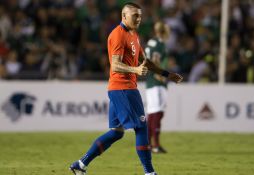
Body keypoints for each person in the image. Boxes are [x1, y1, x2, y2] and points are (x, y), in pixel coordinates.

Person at [69, 2, 183, 175]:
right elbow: (115, 64)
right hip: (124, 88)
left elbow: (145, 62)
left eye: (140, 16)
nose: (139, 19)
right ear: (124, 16)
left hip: (119, 89)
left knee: (116, 133)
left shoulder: (134, 35)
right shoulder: (117, 35)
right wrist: (135, 70)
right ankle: (150, 172)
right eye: (135, 15)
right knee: (141, 127)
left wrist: (167, 74)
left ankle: (80, 164)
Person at [145, 21, 170, 153]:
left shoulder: (151, 42)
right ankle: (154, 145)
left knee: (153, 113)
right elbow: (154, 61)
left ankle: (149, 144)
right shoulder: (160, 45)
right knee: (157, 113)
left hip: (152, 82)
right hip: (156, 83)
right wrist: (160, 76)